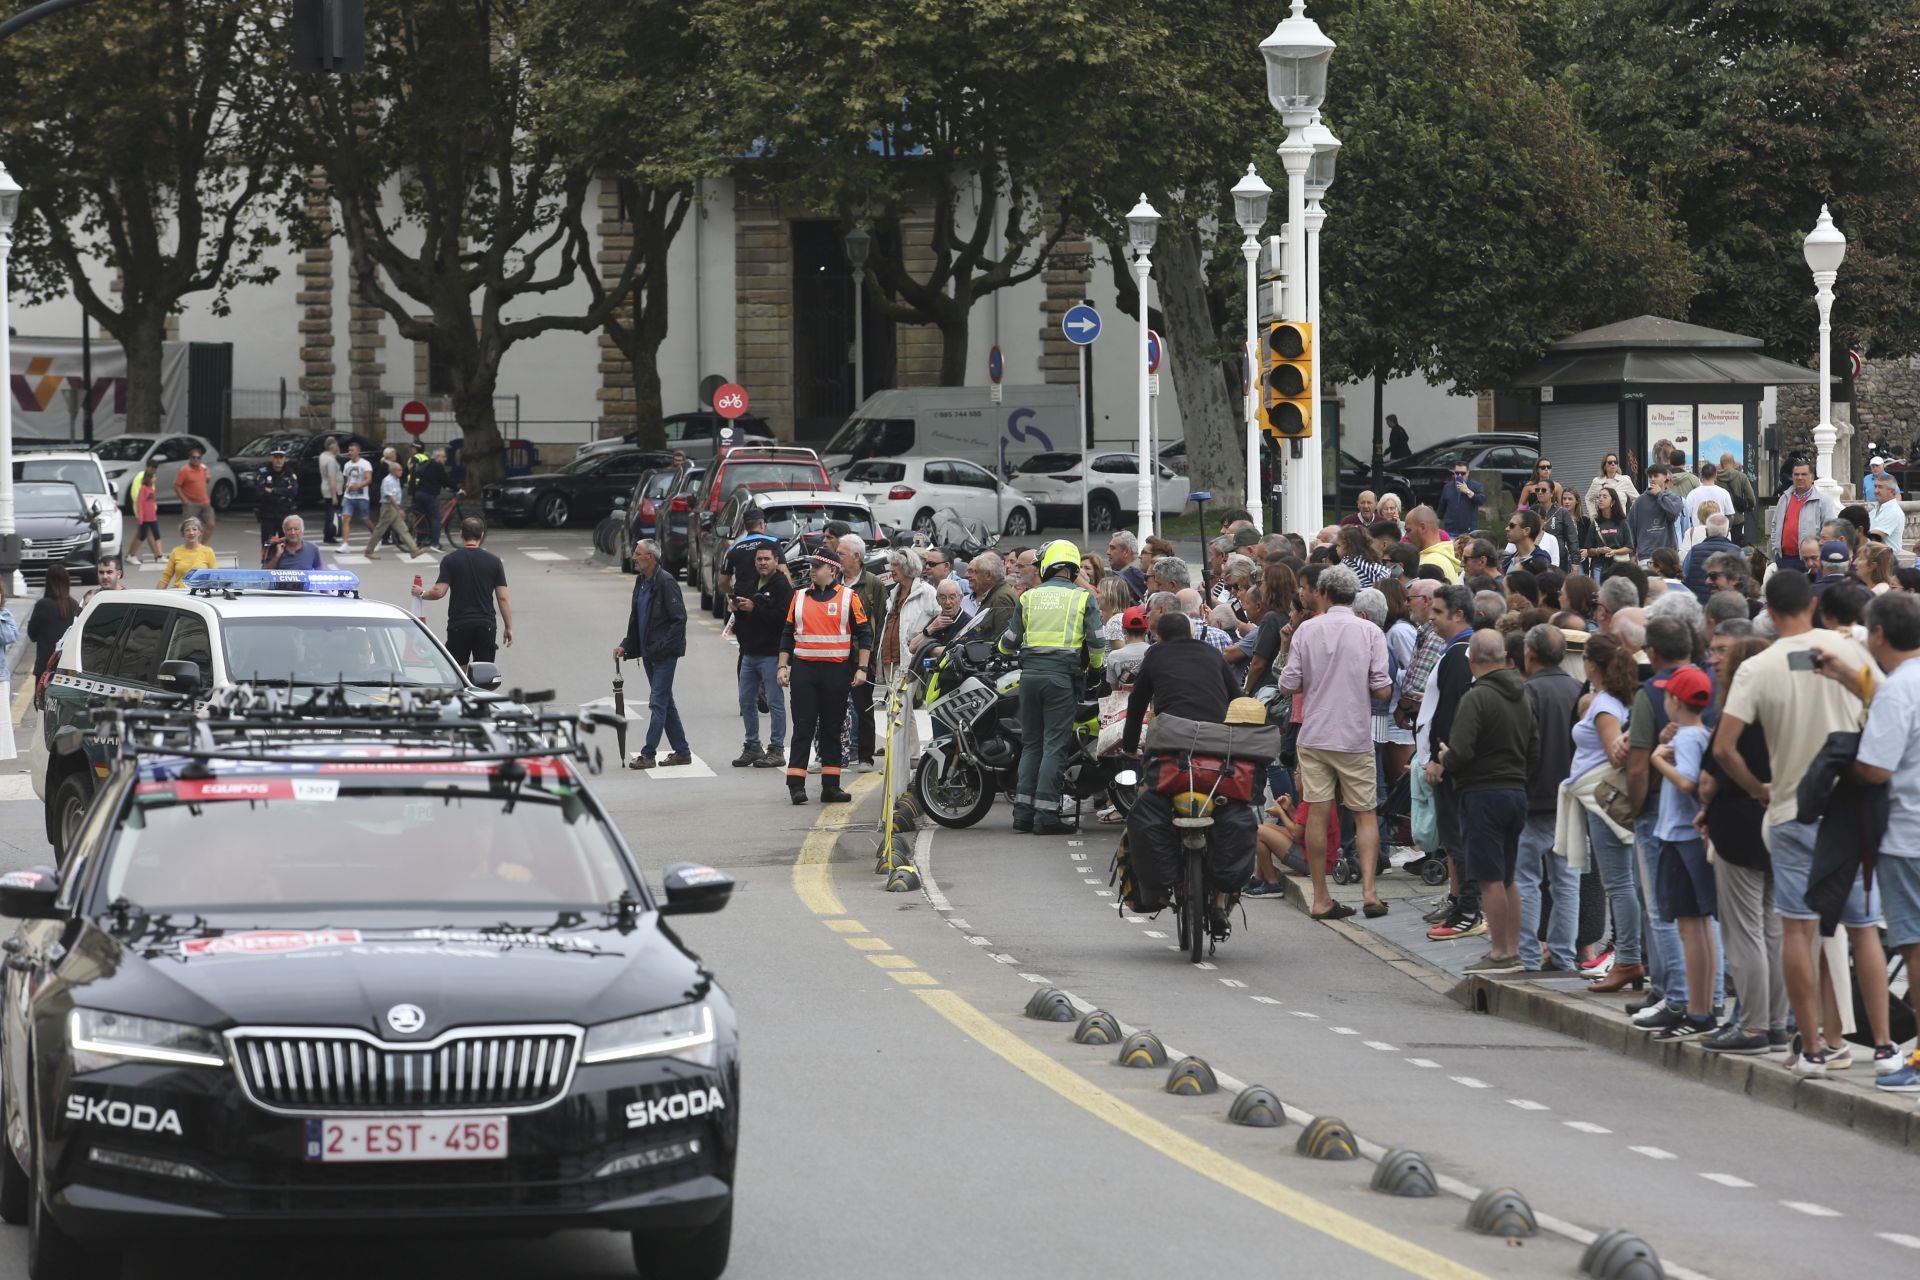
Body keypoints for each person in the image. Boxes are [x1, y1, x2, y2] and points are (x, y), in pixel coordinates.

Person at [1712, 570, 1886, 1076]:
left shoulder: (1756, 667)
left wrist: (1755, 789)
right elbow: (1886, 702)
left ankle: (1810, 1046)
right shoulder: (1850, 653)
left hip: (1789, 808)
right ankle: (1880, 1045)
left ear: (1767, 609)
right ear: (1811, 606)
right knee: (1863, 930)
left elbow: (1723, 747)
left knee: (1797, 929)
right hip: (1850, 808)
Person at [1820, 591, 1920, 1087]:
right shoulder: (1903, 682)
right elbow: (1885, 692)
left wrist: (1842, 771)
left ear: (1879, 635)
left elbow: (1877, 768)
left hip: (1906, 834)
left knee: (1915, 946)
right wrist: (1850, 676)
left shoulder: (1900, 690)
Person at [1278, 564, 1392, 919]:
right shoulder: (1371, 631)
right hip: (1355, 734)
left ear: (1324, 593)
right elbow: (1382, 688)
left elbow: (1288, 684)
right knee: (1365, 814)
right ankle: (1370, 892)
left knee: (1317, 810)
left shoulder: (1307, 630)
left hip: (1315, 733)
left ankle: (1321, 896)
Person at [1696, 634, 1783, 1054]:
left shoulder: (1736, 714)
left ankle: (1752, 1025)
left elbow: (1711, 776)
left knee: (1744, 930)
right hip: (1778, 822)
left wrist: (1711, 803)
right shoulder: (1784, 711)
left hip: (1739, 821)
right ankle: (1777, 1021)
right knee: (1773, 928)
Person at [1436, 628, 1538, 971]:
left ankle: (1500, 951)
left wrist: (1445, 759)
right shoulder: (1523, 694)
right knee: (1508, 875)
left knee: (1489, 876)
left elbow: (1461, 750)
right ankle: (1513, 948)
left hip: (1482, 793)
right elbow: (1534, 748)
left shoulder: (1477, 697)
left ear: (1473, 660)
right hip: (1516, 790)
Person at [999, 540, 1107, 835]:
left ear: (1047, 565)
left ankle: (1023, 813)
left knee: (1032, 744)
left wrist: (1002, 650)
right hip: (1061, 679)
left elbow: (1008, 643)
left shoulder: (1029, 597)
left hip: (1030, 678)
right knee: (1054, 746)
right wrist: (1096, 672)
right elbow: (1098, 644)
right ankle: (1046, 816)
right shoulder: (1084, 598)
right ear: (1072, 567)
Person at [1647, 664, 1718, 1038]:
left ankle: (1698, 1010)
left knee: (1691, 927)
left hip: (1681, 837)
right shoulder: (1699, 733)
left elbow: (1689, 782)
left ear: (1676, 700)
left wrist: (1657, 758)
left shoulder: (1689, 738)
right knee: (1699, 926)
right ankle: (1701, 1008)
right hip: (1685, 837)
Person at [1515, 624, 1583, 973]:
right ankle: (1563, 955)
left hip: (1532, 798)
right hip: (1569, 800)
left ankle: (1528, 955)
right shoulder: (1577, 690)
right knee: (1567, 882)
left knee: (1526, 879)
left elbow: (1520, 749)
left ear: (1530, 654)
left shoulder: (1527, 693)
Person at [778, 553, 871, 804]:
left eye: (817, 567)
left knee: (833, 728)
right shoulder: (798, 597)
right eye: (811, 566)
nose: (812, 570)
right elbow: (787, 633)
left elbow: (864, 634)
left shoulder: (849, 598)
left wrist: (862, 668)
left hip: (836, 672)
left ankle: (831, 786)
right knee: (803, 728)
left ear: (832, 570)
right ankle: (796, 785)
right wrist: (782, 666)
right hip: (804, 671)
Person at [1422, 584, 1484, 940]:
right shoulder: (1458, 650)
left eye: (1439, 611)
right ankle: (1463, 904)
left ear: (1458, 615)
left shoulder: (1461, 653)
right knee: (1455, 838)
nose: (1431, 616)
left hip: (1450, 761)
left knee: (1458, 839)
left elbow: (1451, 712)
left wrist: (1437, 757)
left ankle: (1468, 909)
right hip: (1449, 758)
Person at [614, 539, 692, 769]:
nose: (634, 557)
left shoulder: (666, 582)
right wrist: (626, 645)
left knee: (657, 702)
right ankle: (682, 752)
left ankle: (648, 754)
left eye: (638, 554)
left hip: (664, 654)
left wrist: (662, 648)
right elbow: (637, 618)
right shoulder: (641, 581)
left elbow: (679, 620)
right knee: (666, 701)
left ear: (651, 558)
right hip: (648, 652)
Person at [414, 518, 513, 668]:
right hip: (486, 625)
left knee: (459, 671)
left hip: (459, 624)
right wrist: (509, 627)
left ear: (461, 534)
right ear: (482, 535)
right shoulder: (494, 561)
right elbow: (503, 597)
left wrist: (422, 593)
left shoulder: (450, 560)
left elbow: (439, 591)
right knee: (483, 673)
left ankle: (463, 691)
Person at [729, 542, 792, 768]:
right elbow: (744, 623)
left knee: (774, 702)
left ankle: (776, 748)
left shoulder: (782, 586)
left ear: (776, 561)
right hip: (749, 653)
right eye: (759, 559)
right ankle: (753, 745)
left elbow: (783, 620)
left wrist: (755, 608)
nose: (763, 563)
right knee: (746, 701)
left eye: (767, 559)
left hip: (771, 654)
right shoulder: (749, 583)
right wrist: (738, 610)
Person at [839, 535, 887, 769]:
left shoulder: (873, 584)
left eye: (841, 554)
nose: (836, 558)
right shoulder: (834, 580)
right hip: (835, 653)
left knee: (863, 706)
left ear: (856, 557)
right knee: (834, 704)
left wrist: (873, 657)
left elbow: (881, 620)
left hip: (862, 654)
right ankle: (835, 753)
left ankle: (865, 756)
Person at [1768, 459, 1839, 574]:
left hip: (1808, 561)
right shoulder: (1784, 498)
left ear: (1812, 477)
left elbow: (1830, 532)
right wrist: (1775, 548)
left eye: (1804, 474)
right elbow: (1775, 524)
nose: (1799, 477)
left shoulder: (1823, 501)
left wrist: (1818, 555)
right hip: (1783, 559)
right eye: (1796, 474)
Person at [881, 547, 938, 684]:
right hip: (890, 661)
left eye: (896, 565)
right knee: (894, 704)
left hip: (911, 661)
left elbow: (940, 620)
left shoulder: (927, 592)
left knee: (900, 704)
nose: (891, 569)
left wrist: (922, 639)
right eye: (891, 565)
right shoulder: (894, 592)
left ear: (908, 567)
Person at [27, 564, 80, 680]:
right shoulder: (75, 605)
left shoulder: (43, 605)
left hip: (45, 668)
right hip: (67, 668)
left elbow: (32, 634)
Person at [364, 460, 424, 560]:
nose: (401, 471)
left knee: (403, 529)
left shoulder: (396, 480)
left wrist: (398, 508)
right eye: (399, 470)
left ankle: (414, 550)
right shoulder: (388, 480)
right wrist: (398, 509)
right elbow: (389, 496)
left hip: (393, 507)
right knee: (380, 530)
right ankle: (369, 550)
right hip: (388, 507)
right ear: (393, 471)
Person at [1627, 465, 1684, 560]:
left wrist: (1659, 495)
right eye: (1650, 476)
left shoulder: (1674, 498)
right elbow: (1631, 527)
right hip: (1646, 554)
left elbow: (1674, 513)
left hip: (1668, 553)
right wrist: (1632, 553)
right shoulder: (1640, 501)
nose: (1652, 479)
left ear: (1665, 477)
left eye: (1656, 476)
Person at [254, 446, 299, 566]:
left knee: (288, 542)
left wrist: (273, 490)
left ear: (285, 458)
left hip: (284, 514)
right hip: (267, 513)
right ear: (271, 458)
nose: (278, 460)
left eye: (281, 457)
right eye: (276, 457)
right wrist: (283, 491)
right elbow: (259, 492)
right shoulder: (263, 472)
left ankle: (288, 565)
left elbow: (293, 492)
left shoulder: (289, 473)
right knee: (267, 544)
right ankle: (266, 565)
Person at [1681, 513, 1739, 602]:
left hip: (1699, 604)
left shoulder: (1694, 551)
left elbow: (1684, 577)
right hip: (1729, 604)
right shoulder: (1737, 552)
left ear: (1706, 531)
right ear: (1728, 532)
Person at [966, 551, 1019, 640]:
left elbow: (1003, 636)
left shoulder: (1001, 598)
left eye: (976, 572)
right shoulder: (995, 594)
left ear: (988, 575)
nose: (970, 576)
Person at [1404, 504, 1460, 583]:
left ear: (1422, 527)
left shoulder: (1430, 563)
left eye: (1408, 530)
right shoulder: (1443, 556)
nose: (1406, 536)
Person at [157, 517, 217, 589]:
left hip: (200, 593)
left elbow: (215, 577)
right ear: (183, 534)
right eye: (187, 530)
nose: (191, 533)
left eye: (194, 529)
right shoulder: (176, 551)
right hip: (180, 593)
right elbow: (165, 577)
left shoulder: (208, 551)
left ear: (200, 532)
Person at [173, 445, 217, 538]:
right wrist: (184, 500)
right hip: (191, 503)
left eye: (198, 458)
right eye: (193, 457)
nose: (196, 460)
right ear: (189, 458)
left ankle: (203, 547)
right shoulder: (184, 470)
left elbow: (204, 481)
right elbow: (176, 485)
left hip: (204, 502)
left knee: (211, 524)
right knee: (189, 527)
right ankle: (190, 547)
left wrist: (208, 476)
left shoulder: (203, 469)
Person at [412, 446, 451, 549]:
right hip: (429, 495)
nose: (445, 459)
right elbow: (446, 480)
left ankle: (421, 540)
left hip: (419, 493)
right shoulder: (438, 466)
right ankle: (435, 543)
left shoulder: (428, 463)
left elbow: (437, 479)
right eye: (444, 457)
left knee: (424, 516)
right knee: (436, 518)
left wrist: (445, 486)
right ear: (438, 457)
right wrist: (457, 489)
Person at [1716, 452, 1757, 546]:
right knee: (1736, 546)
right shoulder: (1742, 477)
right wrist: (1749, 506)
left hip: (1720, 519)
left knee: (1721, 546)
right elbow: (1751, 498)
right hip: (1737, 518)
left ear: (1721, 464)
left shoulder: (1716, 478)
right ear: (1733, 462)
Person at [127, 462, 163, 564]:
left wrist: (153, 508)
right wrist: (140, 514)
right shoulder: (141, 478)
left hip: (150, 513)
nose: (153, 470)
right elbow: (137, 496)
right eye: (152, 467)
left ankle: (158, 555)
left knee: (150, 533)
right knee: (142, 534)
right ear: (147, 467)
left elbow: (152, 498)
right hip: (142, 512)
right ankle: (131, 555)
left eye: (155, 468)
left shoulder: (150, 480)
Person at [1437, 462, 1484, 538]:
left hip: (1468, 531)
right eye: (1457, 473)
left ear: (1468, 472)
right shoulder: (1448, 487)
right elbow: (1441, 507)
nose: (1459, 475)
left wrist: (1468, 491)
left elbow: (1481, 500)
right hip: (1450, 530)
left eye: (1462, 473)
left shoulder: (1475, 486)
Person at [339, 442, 373, 547]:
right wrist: (346, 488)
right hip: (348, 496)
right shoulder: (347, 465)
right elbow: (346, 479)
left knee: (365, 519)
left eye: (352, 450)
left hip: (362, 497)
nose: (350, 452)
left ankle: (376, 537)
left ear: (358, 451)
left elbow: (369, 479)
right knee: (346, 519)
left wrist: (358, 485)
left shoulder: (365, 464)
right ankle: (345, 543)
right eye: (349, 450)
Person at [1502, 508, 1551, 576]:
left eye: (1512, 526)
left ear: (1526, 531)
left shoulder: (1541, 561)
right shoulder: (1507, 562)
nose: (1507, 529)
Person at [1684, 462, 1733, 527]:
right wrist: (1727, 529)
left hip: (1698, 532)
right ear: (1715, 475)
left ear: (1701, 475)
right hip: (1718, 531)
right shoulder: (1724, 493)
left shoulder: (1692, 493)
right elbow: (1730, 515)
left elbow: (1686, 515)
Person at [316, 436, 343, 545]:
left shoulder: (323, 456)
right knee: (331, 514)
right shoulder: (331, 460)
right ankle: (329, 535)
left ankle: (328, 534)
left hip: (325, 488)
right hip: (332, 490)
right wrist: (334, 496)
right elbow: (332, 478)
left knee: (328, 513)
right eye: (336, 445)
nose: (338, 447)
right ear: (333, 446)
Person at [1106, 530, 1146, 600]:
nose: (1108, 552)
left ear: (1126, 552)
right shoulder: (1136, 570)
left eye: (1113, 548)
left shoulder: (1135, 576)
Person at [1868, 474, 1906, 545]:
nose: (1876, 491)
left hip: (1885, 555)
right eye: (1875, 486)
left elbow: (1875, 537)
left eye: (1880, 487)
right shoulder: (1875, 510)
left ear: (1892, 491)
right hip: (1873, 554)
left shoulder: (1894, 512)